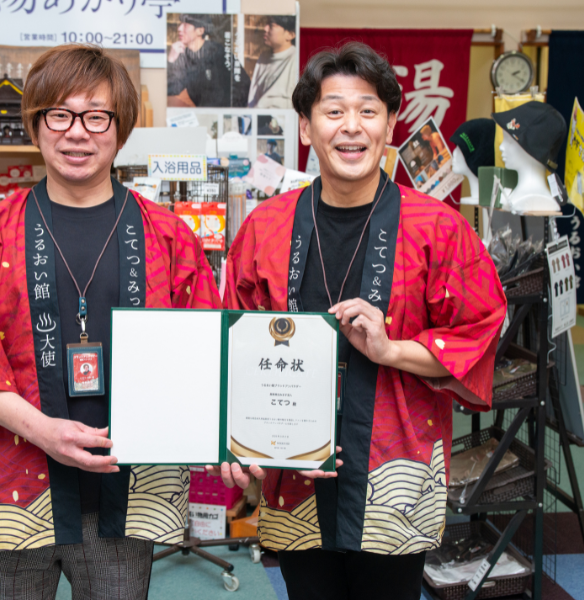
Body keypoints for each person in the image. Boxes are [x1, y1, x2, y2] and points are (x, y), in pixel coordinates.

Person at [0, 44, 221, 600]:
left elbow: (205, 352)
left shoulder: (169, 237)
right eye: (59, 115)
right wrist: (45, 432)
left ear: (120, 127)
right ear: (36, 125)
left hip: (130, 492)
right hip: (18, 484)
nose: (77, 133)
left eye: (96, 116)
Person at [212, 42, 506, 600]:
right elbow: (234, 345)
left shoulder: (438, 229)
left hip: (396, 470)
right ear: (306, 127)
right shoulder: (265, 228)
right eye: (334, 111)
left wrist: (390, 350)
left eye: (368, 111)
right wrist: (235, 442)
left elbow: (477, 332)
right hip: (291, 475)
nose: (352, 127)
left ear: (390, 124)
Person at [167, 14, 250, 107]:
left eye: (185, 25)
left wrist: (228, 111)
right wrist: (171, 61)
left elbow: (244, 85)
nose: (179, 28)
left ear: (200, 30)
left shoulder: (218, 52)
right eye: (180, 24)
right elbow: (172, 89)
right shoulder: (184, 57)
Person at [248, 15, 298, 108]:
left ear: (290, 34)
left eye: (271, 25)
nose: (265, 28)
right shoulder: (263, 57)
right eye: (266, 24)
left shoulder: (295, 59)